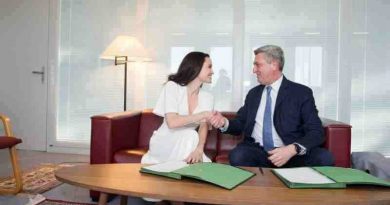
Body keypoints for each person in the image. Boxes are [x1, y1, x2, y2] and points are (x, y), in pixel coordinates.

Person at [209, 45, 334, 168]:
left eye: (258, 65)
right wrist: (223, 122)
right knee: (238, 156)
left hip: (291, 153)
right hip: (259, 152)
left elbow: (316, 132)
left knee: (324, 157)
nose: (254, 70)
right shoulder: (254, 94)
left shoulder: (301, 93)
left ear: (274, 65)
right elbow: (240, 122)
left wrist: (292, 149)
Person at [141, 51, 214, 165]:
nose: (212, 71)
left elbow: (203, 126)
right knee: (191, 136)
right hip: (165, 141)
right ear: (197, 67)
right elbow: (172, 122)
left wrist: (199, 150)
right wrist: (203, 114)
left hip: (188, 142)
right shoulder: (172, 87)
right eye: (209, 67)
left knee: (193, 141)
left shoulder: (207, 97)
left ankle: (178, 175)